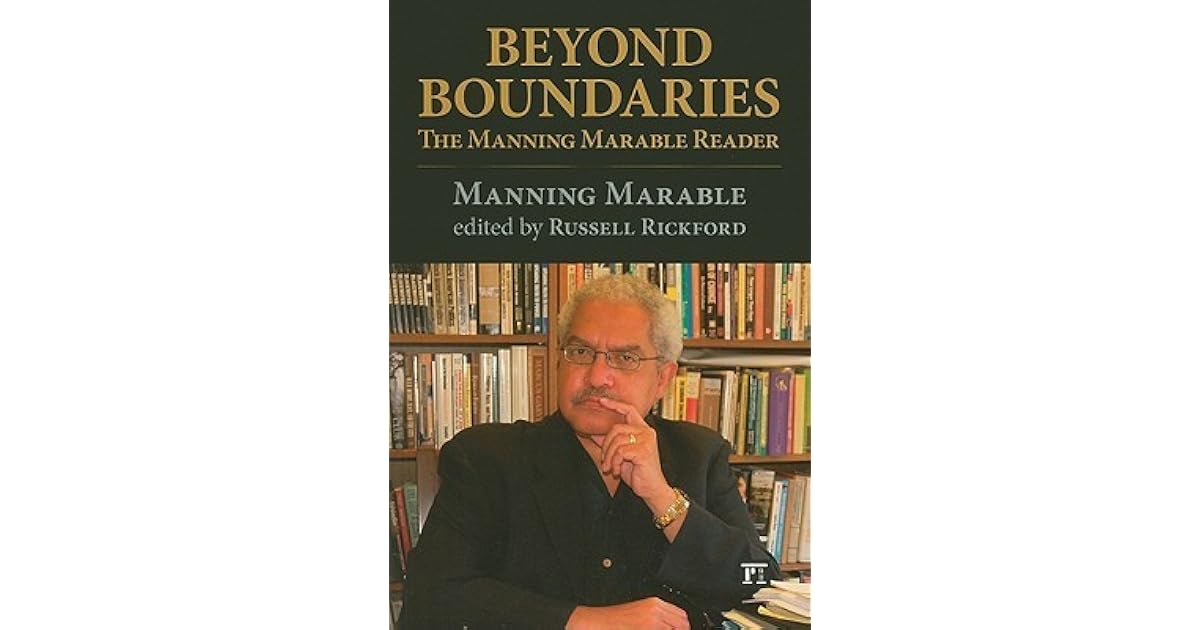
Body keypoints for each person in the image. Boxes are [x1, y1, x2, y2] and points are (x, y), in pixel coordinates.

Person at [401, 274, 781, 629]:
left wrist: (663, 498)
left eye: (625, 358)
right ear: (559, 361)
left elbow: (759, 584)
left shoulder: (698, 455)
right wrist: (583, 621)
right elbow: (430, 597)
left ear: (663, 379)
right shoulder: (487, 458)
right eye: (581, 352)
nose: (597, 376)